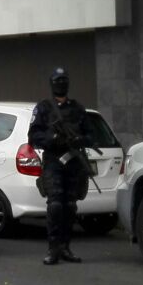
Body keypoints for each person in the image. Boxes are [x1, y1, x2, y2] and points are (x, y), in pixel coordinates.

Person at [28, 67, 93, 265]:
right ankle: (53, 249)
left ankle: (66, 247)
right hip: (54, 162)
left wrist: (79, 140)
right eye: (57, 81)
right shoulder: (44, 108)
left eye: (64, 80)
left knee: (70, 206)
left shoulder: (78, 108)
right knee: (55, 205)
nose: (61, 84)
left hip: (73, 162)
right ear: (52, 84)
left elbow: (91, 135)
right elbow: (33, 136)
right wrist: (53, 139)